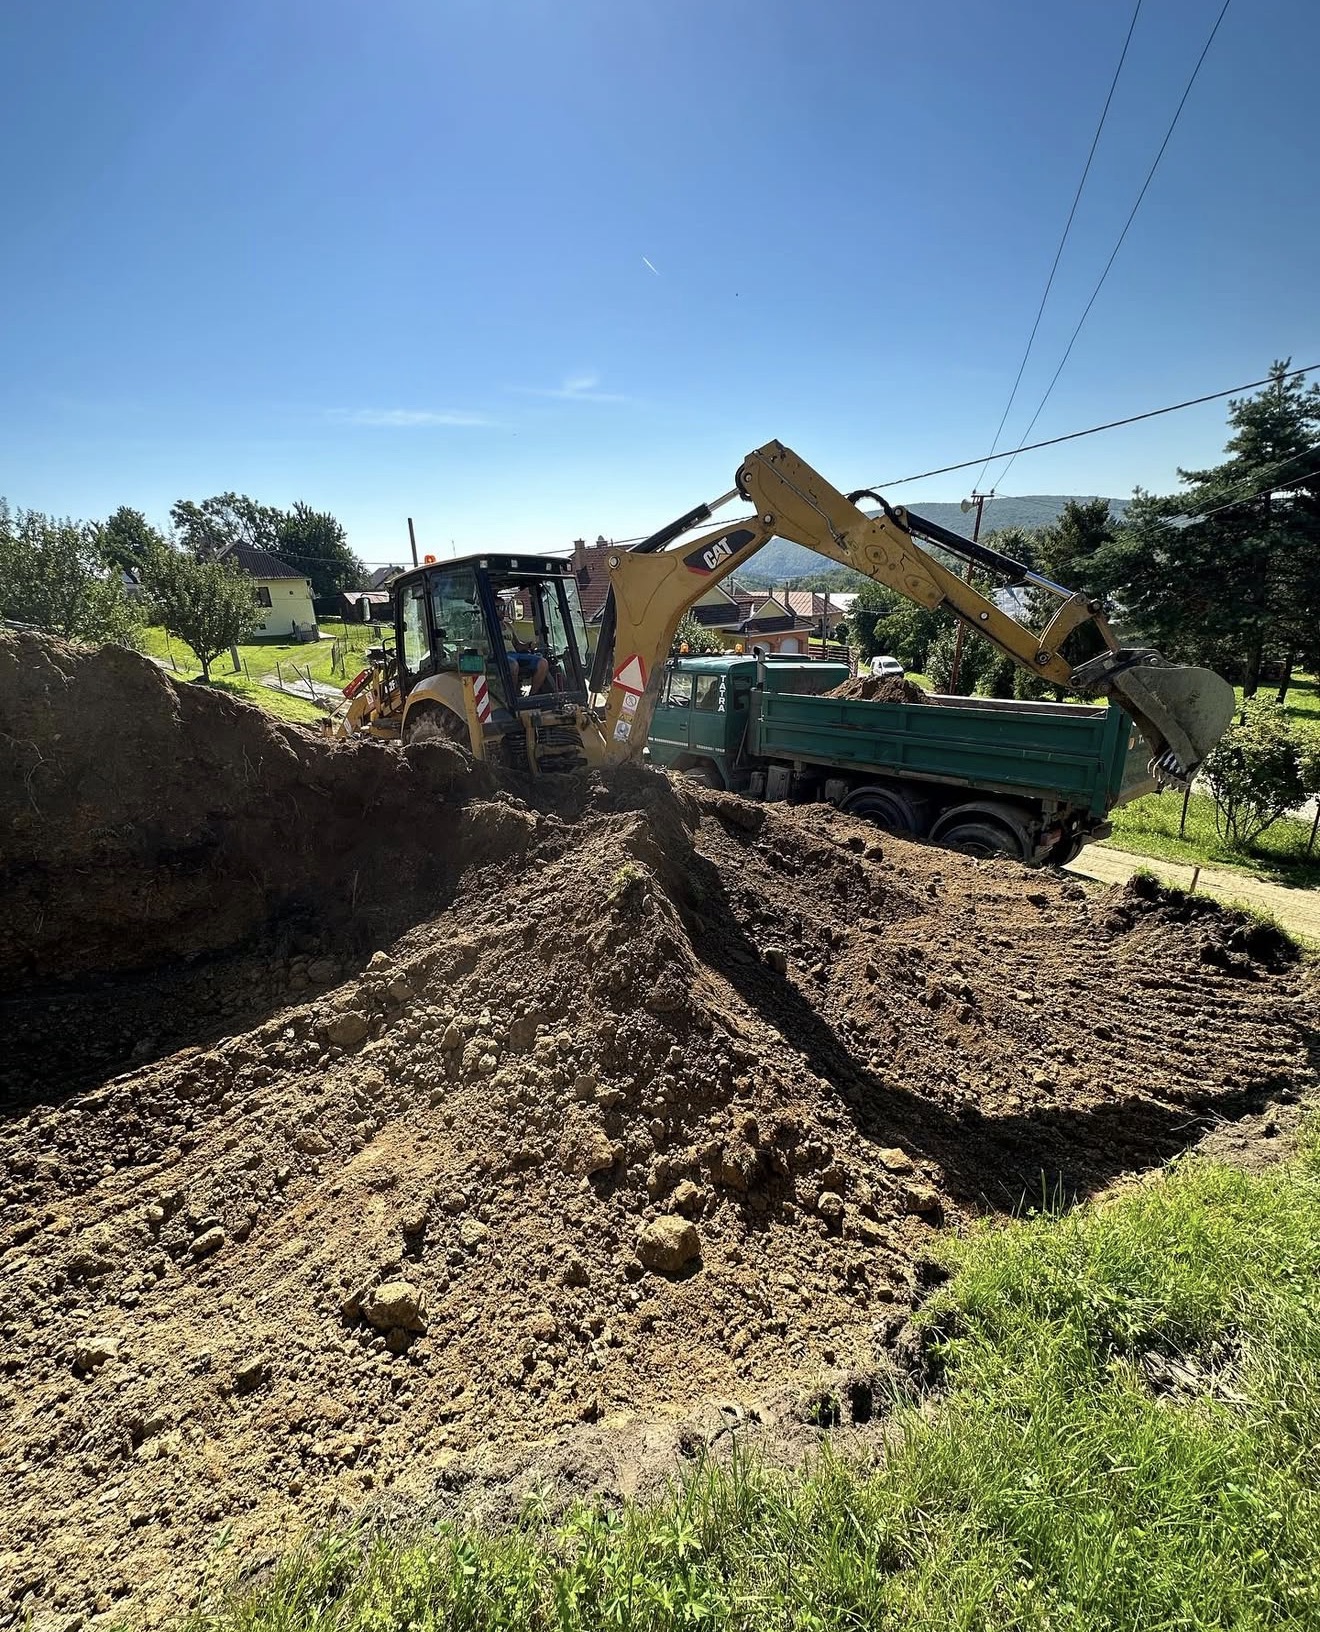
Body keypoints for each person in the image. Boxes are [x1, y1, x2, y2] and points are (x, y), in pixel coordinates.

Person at [500, 598, 549, 699]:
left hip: (514, 654)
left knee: (542, 663)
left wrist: (529, 645)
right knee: (513, 665)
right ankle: (512, 697)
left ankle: (532, 696)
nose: (502, 610)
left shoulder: (508, 626)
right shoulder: (484, 627)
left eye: (503, 607)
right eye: (498, 608)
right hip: (500, 656)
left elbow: (517, 645)